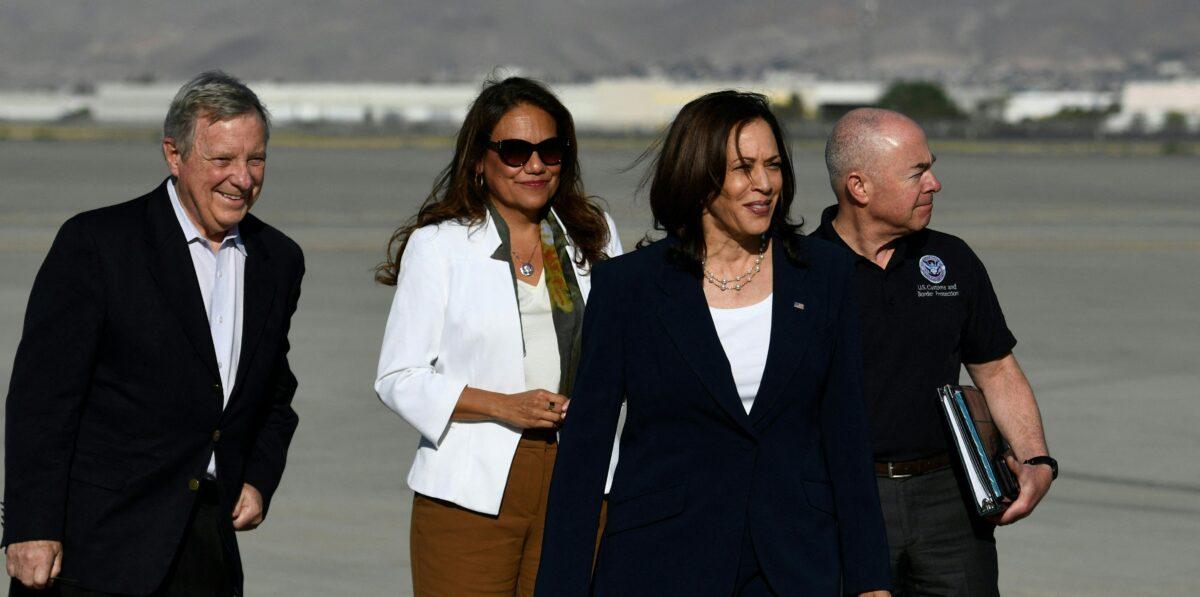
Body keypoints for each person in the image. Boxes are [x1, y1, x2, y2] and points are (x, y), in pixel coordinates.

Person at [535, 91, 891, 596]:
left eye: (773, 165)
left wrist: (870, 578)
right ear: (698, 175)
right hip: (660, 562)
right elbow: (584, 458)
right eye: (743, 168)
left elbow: (847, 434)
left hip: (793, 563)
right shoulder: (628, 287)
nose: (764, 183)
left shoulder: (825, 275)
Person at [3, 71, 304, 596]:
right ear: (174, 154)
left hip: (207, 546)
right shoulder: (98, 244)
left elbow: (275, 390)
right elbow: (42, 400)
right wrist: (31, 527)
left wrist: (258, 476)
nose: (242, 178)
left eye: (255, 159)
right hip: (93, 546)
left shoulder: (277, 260)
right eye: (222, 160)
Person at [373, 76, 622, 597]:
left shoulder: (590, 233)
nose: (534, 165)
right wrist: (504, 406)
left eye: (550, 150)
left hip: (581, 477)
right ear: (480, 160)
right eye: (515, 151)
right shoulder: (439, 246)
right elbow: (399, 377)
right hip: (471, 490)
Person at [813, 108, 1055, 595]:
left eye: (931, 166)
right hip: (842, 501)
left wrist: (1035, 459)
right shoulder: (800, 271)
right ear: (859, 188)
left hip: (951, 503)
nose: (935, 184)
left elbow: (997, 369)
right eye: (917, 172)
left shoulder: (951, 259)